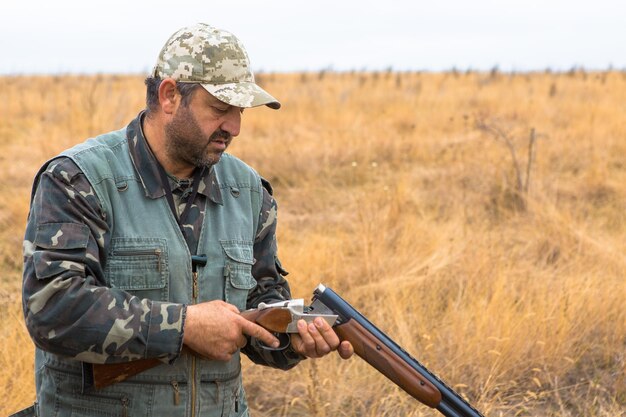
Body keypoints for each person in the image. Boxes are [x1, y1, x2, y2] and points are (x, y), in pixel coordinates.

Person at [17, 23, 352, 417]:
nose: (235, 128)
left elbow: (260, 305)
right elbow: (53, 308)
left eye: (240, 112)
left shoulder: (248, 192)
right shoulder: (79, 179)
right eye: (221, 109)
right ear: (170, 95)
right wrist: (183, 326)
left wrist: (294, 338)